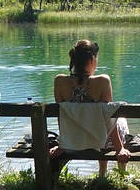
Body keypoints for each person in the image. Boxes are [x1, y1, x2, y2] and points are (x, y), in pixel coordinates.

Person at [53, 39, 130, 175]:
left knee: (99, 119)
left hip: (74, 141)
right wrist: (119, 149)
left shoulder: (59, 81)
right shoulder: (102, 81)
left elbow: (62, 117)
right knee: (120, 119)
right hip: (100, 142)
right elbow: (109, 118)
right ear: (92, 59)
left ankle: (102, 170)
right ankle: (120, 172)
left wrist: (63, 144)